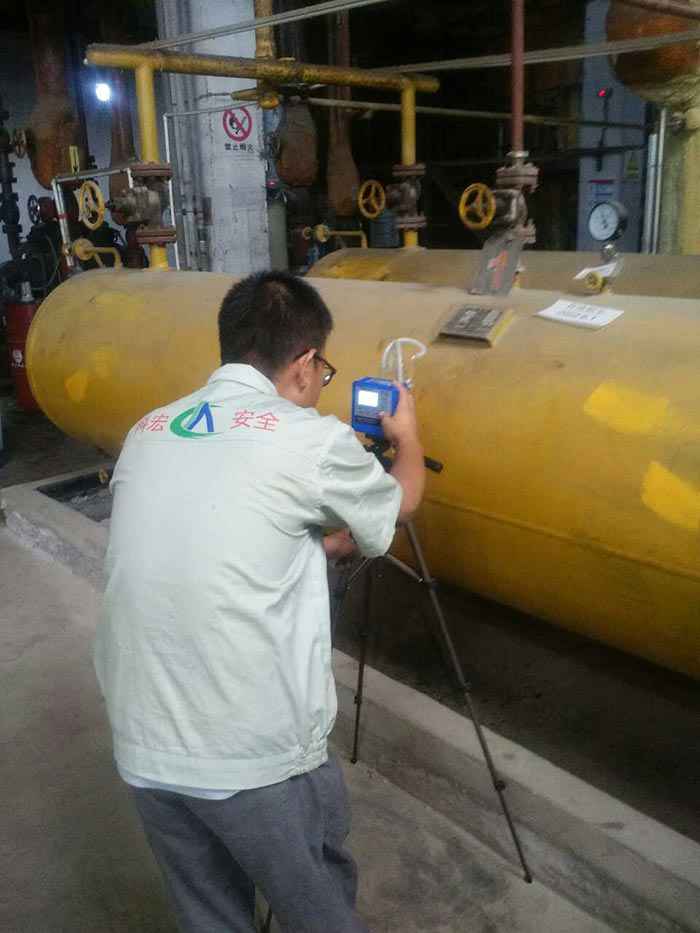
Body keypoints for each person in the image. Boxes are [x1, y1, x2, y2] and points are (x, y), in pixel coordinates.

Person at [94, 271, 425, 933]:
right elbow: (398, 506)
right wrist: (409, 437)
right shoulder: (310, 438)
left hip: (142, 741)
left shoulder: (148, 428)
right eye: (323, 370)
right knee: (319, 912)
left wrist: (313, 546)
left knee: (211, 915)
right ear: (305, 362)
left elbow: (213, 533)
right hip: (249, 753)